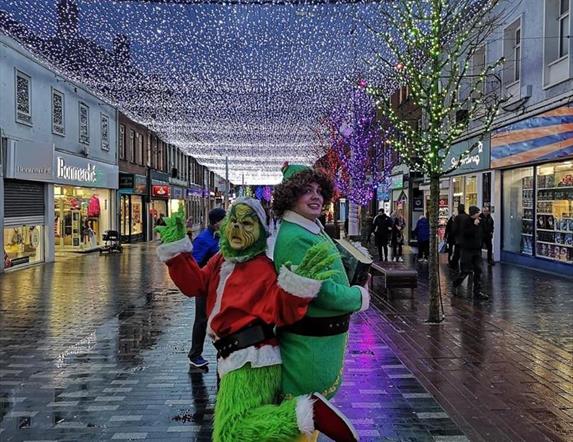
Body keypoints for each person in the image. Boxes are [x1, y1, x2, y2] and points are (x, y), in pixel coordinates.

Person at [156, 200, 357, 442]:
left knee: (232, 432)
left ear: (261, 231)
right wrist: (176, 253)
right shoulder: (220, 260)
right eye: (234, 222)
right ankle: (303, 417)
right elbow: (194, 284)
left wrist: (298, 287)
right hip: (230, 360)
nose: (238, 229)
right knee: (236, 429)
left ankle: (306, 414)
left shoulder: (263, 268)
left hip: (253, 362)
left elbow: (284, 311)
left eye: (247, 224)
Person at [272, 163, 368, 441]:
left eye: (318, 191)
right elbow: (320, 291)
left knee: (309, 419)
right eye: (306, 191)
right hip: (309, 349)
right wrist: (358, 296)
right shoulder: (296, 236)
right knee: (301, 416)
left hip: (320, 345)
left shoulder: (309, 228)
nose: (315, 197)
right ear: (290, 197)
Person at [187, 207, 226, 368]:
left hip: (220, 287)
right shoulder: (203, 239)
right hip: (205, 287)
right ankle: (195, 354)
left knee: (222, 320)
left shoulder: (222, 237)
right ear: (217, 223)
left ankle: (224, 352)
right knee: (202, 320)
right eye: (225, 220)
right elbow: (194, 264)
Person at [452, 206, 488, 299]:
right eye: (477, 213)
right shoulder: (466, 221)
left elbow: (484, 231)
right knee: (465, 270)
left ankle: (477, 291)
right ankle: (455, 284)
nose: (479, 215)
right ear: (473, 214)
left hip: (477, 249)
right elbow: (465, 233)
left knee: (478, 270)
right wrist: (474, 226)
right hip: (467, 249)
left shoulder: (480, 221)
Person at [450, 204, 469, 271]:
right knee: (465, 253)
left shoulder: (457, 217)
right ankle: (465, 266)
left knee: (457, 253)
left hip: (459, 239)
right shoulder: (467, 216)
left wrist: (453, 236)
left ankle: (454, 266)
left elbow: (454, 229)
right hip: (466, 239)